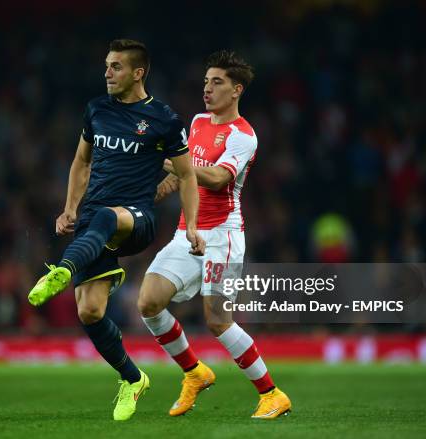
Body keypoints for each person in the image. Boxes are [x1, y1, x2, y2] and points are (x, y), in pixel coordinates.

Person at [27, 39, 205, 421]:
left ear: (138, 73)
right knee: (90, 312)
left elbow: (187, 175)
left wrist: (190, 225)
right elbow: (80, 162)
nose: (107, 73)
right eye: (106, 66)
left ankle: (61, 270)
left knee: (109, 217)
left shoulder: (163, 118)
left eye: (116, 67)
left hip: (136, 218)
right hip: (93, 221)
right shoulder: (96, 110)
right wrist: (69, 208)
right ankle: (132, 378)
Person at [138, 50, 292, 419]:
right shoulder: (196, 122)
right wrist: (152, 193)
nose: (207, 88)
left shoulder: (244, 136)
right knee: (148, 303)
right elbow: (183, 176)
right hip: (187, 232)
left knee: (218, 320)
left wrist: (167, 157)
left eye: (217, 81)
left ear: (237, 89)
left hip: (222, 235)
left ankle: (272, 394)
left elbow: (219, 177)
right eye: (206, 81)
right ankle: (194, 372)